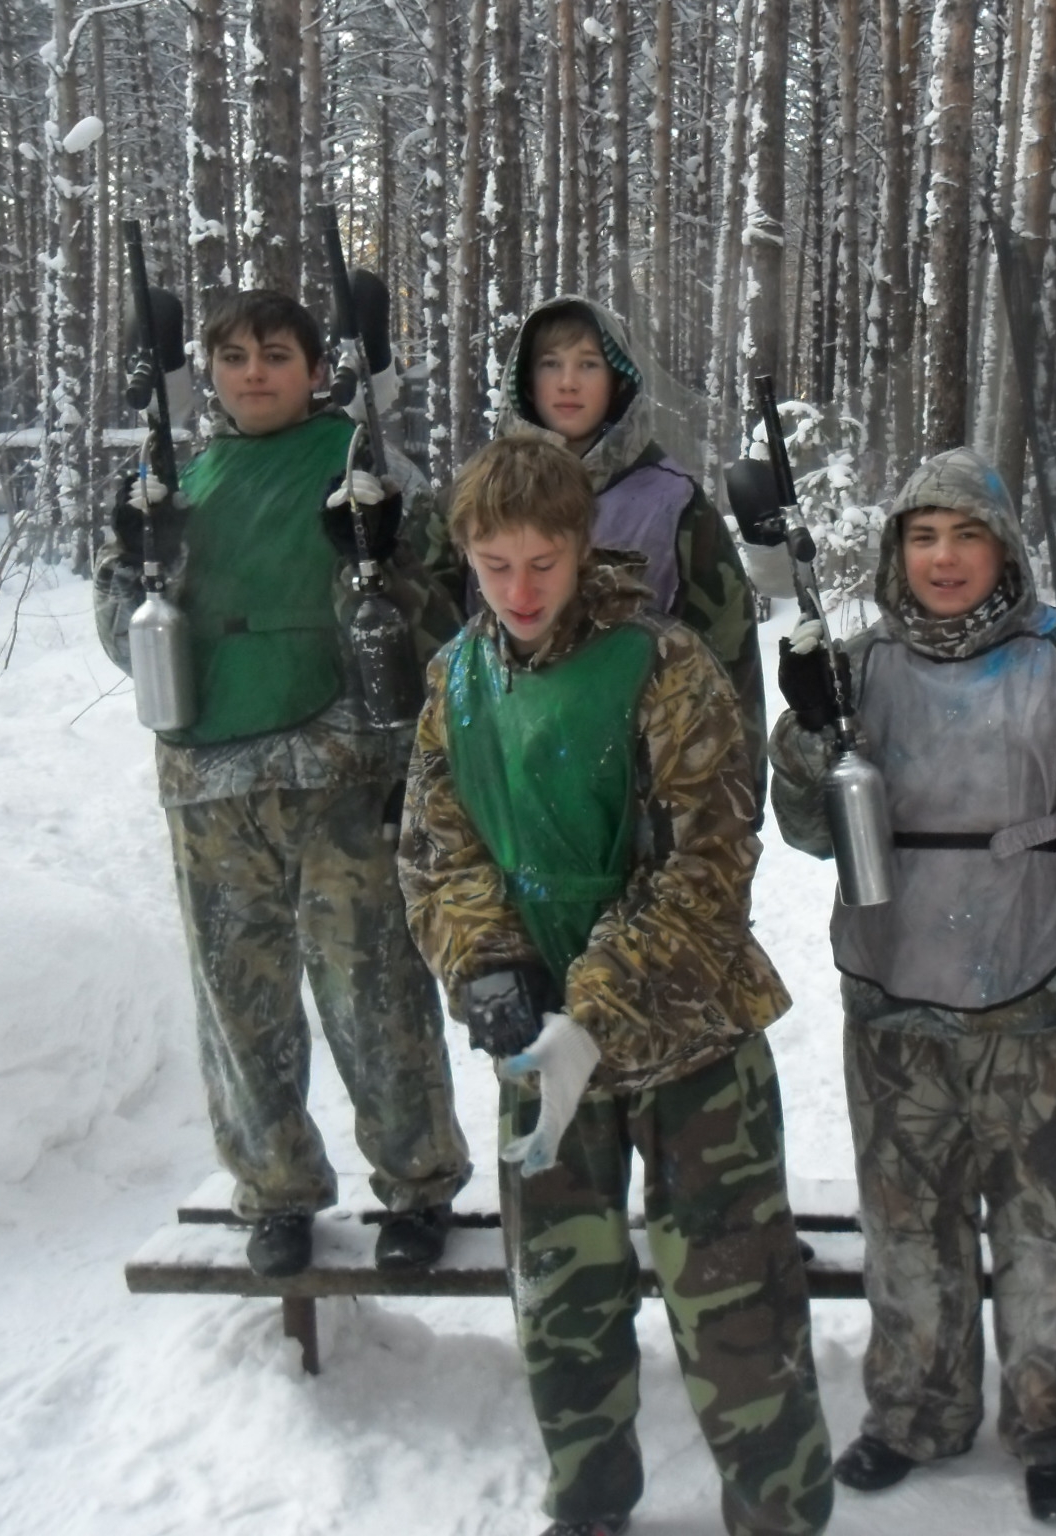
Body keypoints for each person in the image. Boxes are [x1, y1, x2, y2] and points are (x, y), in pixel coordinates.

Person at [398, 436, 832, 1536]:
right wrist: (486, 965)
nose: (520, 590)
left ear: (582, 547)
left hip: (688, 1043)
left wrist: (591, 1005)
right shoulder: (456, 680)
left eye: (541, 562)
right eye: (494, 565)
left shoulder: (663, 666)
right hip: (539, 1054)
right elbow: (437, 849)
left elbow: (709, 864)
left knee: (736, 1310)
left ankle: (777, 1511)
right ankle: (587, 1505)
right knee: (562, 1307)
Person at [769, 447, 1056, 1525]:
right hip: (895, 999)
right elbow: (808, 832)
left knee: (1043, 1236)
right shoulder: (855, 667)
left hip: (1036, 999)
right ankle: (914, 1411)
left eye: (966, 535)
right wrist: (807, 733)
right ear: (896, 550)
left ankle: (1055, 1421)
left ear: (1004, 548)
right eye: (921, 536)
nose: (943, 559)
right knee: (905, 1233)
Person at [93, 289, 470, 1278]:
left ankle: (418, 1186)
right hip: (210, 789)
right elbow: (127, 646)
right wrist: (132, 565)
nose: (252, 372)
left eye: (274, 353)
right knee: (239, 1002)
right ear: (207, 372)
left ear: (315, 369)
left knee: (373, 992)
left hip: (339, 780)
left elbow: (434, 620)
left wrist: (387, 559)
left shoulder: (359, 466)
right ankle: (274, 1190)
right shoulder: (178, 482)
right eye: (231, 355)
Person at [491, 295, 767, 793]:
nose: (568, 381)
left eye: (588, 364)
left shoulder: (675, 504)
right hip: (504, 789)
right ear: (525, 380)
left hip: (640, 789)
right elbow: (435, 648)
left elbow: (730, 665)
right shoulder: (483, 496)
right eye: (550, 364)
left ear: (618, 379)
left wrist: (732, 807)